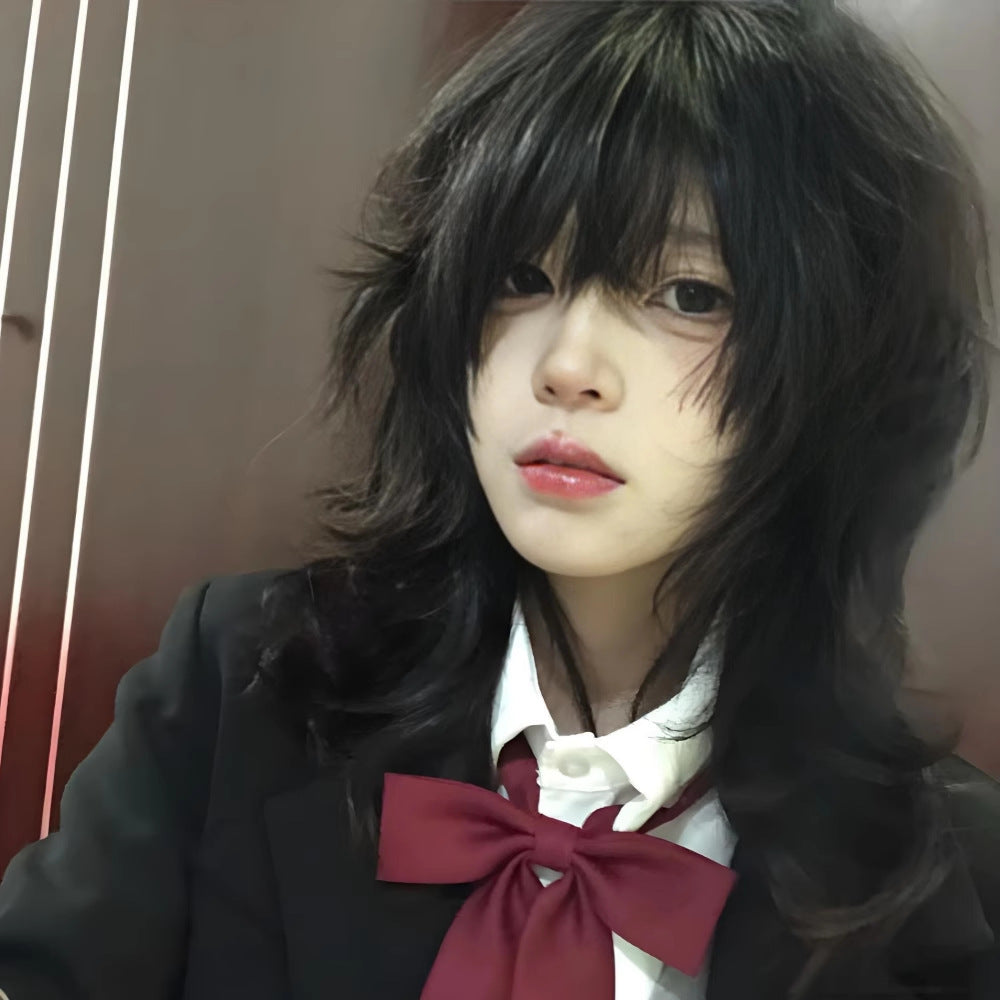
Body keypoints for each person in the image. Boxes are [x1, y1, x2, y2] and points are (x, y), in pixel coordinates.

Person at [0, 1, 997, 998]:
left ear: (842, 366)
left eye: (689, 293)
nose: (567, 366)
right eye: (522, 276)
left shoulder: (943, 873)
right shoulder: (245, 686)